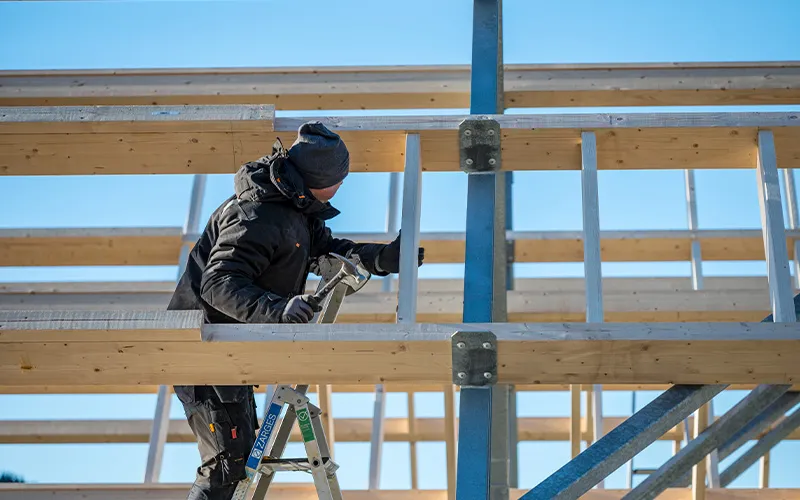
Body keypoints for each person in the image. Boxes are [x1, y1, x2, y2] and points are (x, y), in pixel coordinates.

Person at [166, 121, 424, 500]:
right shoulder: (255, 215)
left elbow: (328, 250)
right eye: (340, 178)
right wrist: (279, 309)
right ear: (319, 179)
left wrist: (381, 258)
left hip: (226, 352)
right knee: (226, 468)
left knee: (239, 465)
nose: (342, 186)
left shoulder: (296, 210)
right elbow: (218, 285)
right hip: (202, 351)